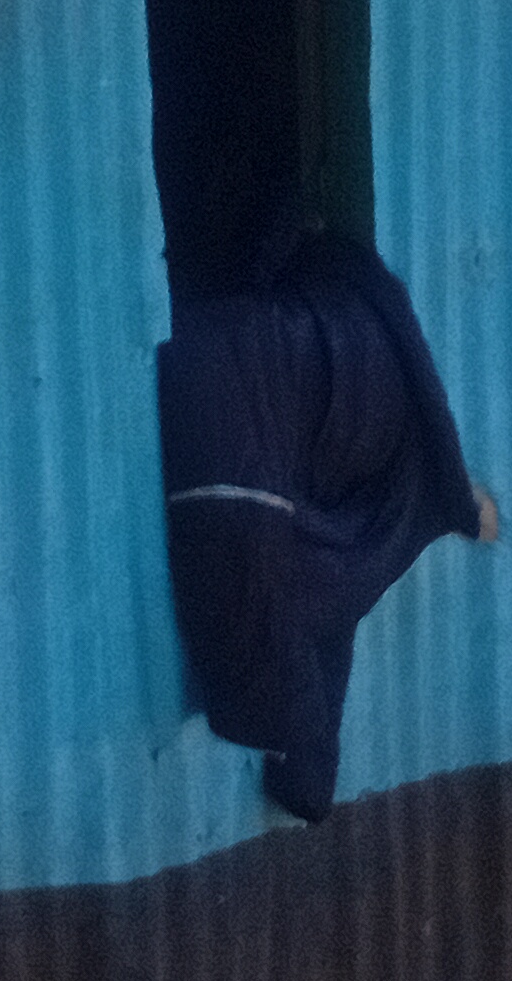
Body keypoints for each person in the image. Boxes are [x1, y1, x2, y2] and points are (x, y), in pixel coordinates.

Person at [154, 123, 493, 819]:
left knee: (294, 577)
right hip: (322, 435)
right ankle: (303, 766)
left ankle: (303, 764)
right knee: (304, 580)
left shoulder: (253, 339)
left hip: (321, 431)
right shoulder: (276, 336)